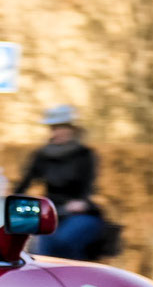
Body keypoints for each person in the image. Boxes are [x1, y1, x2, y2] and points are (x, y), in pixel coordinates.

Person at [14, 105, 106, 260]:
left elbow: (88, 187)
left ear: (72, 129)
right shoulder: (41, 155)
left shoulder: (85, 155)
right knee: (40, 246)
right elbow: (25, 182)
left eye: (63, 127)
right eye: (55, 128)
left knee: (65, 240)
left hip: (79, 213)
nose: (58, 132)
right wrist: (13, 199)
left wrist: (81, 202)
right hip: (51, 211)